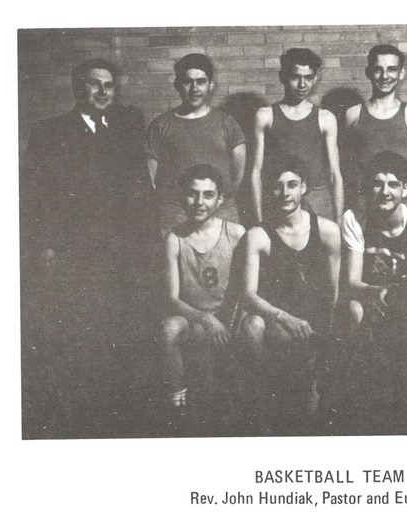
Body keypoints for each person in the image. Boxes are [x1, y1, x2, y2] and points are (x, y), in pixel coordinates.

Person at [22, 58, 149, 437]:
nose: (103, 91)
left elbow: (140, 190)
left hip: (121, 254)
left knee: (121, 330)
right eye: (94, 84)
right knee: (79, 334)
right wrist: (44, 245)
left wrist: (145, 246)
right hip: (74, 254)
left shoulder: (126, 129)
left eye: (108, 85)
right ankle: (80, 418)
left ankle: (118, 416)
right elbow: (34, 195)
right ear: (78, 89)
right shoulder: (49, 132)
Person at [235, 155, 341, 417]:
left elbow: (335, 292)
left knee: (310, 408)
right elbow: (247, 294)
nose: (285, 193)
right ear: (268, 189)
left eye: (292, 185)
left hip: (316, 322)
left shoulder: (327, 230)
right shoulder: (258, 236)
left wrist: (323, 333)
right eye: (277, 186)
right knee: (252, 326)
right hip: (280, 323)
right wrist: (284, 317)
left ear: (304, 187)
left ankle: (313, 388)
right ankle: (269, 395)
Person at [341, 151, 407, 412]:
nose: (385, 192)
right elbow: (352, 281)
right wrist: (378, 292)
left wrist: (397, 296)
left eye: (393, 184)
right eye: (377, 183)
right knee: (352, 310)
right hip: (370, 300)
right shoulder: (355, 219)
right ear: (368, 186)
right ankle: (361, 396)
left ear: (406, 188)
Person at [159, 165, 246, 412]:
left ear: (220, 200)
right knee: (169, 328)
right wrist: (206, 319)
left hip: (231, 322)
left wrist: (230, 323)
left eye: (208, 195)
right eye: (192, 194)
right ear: (182, 197)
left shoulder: (236, 233)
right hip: (196, 322)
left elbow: (248, 290)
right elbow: (172, 298)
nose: (199, 202)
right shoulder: (174, 239)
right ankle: (177, 404)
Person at [146, 53, 246, 235]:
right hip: (175, 214)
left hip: (221, 213)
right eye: (187, 82)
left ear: (211, 85)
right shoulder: (161, 125)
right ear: (177, 85)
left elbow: (238, 174)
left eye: (201, 81)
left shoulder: (226, 123)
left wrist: (214, 201)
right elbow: (151, 178)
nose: (194, 88)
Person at [250, 48, 343, 224]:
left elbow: (334, 174)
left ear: (315, 78)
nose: (302, 85)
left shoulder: (325, 118)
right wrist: (259, 220)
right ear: (282, 77)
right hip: (281, 200)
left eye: (308, 78)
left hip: (318, 202)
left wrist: (338, 220)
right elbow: (256, 172)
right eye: (295, 77)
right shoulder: (265, 115)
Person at [343, 44, 407, 211]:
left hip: (405, 206)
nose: (385, 76)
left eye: (392, 69)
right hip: (366, 206)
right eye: (378, 69)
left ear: (401, 73)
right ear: (369, 72)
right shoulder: (353, 114)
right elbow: (348, 168)